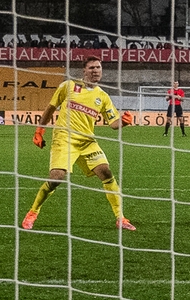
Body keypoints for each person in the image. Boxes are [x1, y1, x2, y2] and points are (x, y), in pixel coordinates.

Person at [22, 56, 136, 231]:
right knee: (56, 178)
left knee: (106, 171)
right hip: (64, 139)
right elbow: (51, 108)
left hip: (87, 141)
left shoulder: (103, 97)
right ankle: (33, 212)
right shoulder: (68, 86)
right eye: (91, 68)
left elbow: (113, 124)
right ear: (84, 70)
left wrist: (124, 122)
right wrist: (39, 130)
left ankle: (120, 218)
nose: (96, 70)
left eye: (98, 67)